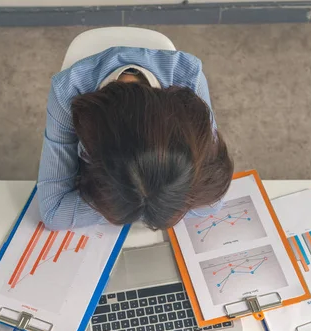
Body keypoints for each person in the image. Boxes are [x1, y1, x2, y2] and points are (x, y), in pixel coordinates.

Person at [38, 46, 233, 231]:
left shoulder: (191, 79)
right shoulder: (67, 92)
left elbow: (212, 202)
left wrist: (141, 204)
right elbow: (53, 212)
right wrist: (137, 205)